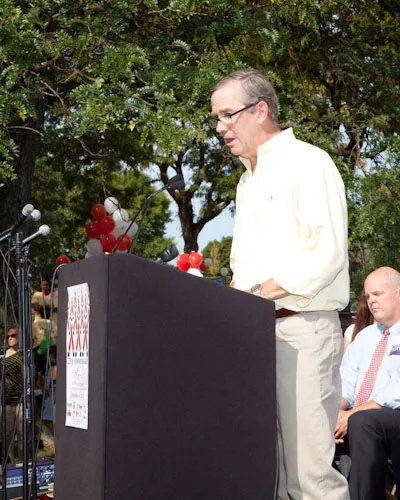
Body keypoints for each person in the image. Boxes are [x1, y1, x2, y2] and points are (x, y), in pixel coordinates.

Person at [210, 70, 350, 500]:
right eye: (215, 118)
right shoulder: (246, 181)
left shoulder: (308, 162)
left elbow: (326, 254)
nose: (220, 127)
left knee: (310, 479)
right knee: (273, 477)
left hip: (303, 332)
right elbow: (242, 268)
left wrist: (255, 296)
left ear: (261, 110)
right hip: (256, 337)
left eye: (227, 115)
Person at [335, 266, 400, 500]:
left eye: (378, 294)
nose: (371, 301)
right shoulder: (365, 336)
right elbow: (345, 380)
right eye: (368, 295)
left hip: (392, 415)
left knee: (363, 422)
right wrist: (337, 413)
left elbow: (396, 392)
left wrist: (352, 415)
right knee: (312, 423)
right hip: (362, 418)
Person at [0, 327, 23, 462]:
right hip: (6, 400)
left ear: (19, 336)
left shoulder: (24, 354)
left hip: (21, 400)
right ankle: (9, 463)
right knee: (6, 434)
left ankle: (22, 462)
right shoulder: (3, 354)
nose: (10, 338)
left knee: (22, 433)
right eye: (8, 336)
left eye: (13, 335)